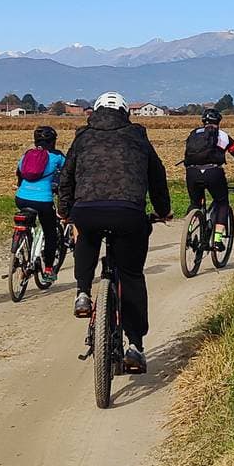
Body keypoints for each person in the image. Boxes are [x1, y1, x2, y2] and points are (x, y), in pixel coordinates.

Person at [56, 92, 172, 372]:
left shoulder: (83, 137)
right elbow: (157, 176)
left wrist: (65, 211)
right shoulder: (138, 137)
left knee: (86, 236)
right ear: (125, 113)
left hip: (87, 210)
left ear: (95, 111)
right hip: (128, 212)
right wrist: (163, 210)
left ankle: (83, 293)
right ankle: (135, 346)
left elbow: (66, 177)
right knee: (131, 275)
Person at [182, 107, 234, 242]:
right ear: (218, 121)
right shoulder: (223, 136)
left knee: (195, 203)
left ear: (203, 121)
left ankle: (188, 232)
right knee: (222, 202)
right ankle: (218, 239)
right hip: (213, 172)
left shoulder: (194, 134)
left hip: (192, 172)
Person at [14, 124, 66, 271]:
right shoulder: (57, 156)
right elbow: (68, 173)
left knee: (26, 223)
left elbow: (19, 173)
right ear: (53, 141)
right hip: (43, 200)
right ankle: (48, 268)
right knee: (50, 232)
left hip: (21, 198)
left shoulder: (27, 155)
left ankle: (24, 244)